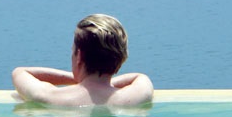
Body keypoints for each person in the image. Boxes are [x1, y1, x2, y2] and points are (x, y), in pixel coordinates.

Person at [12, 14, 153, 107]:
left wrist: (77, 79)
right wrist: (105, 82)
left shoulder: (51, 97)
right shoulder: (134, 97)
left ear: (79, 56)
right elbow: (140, 77)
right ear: (121, 58)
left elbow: (20, 72)